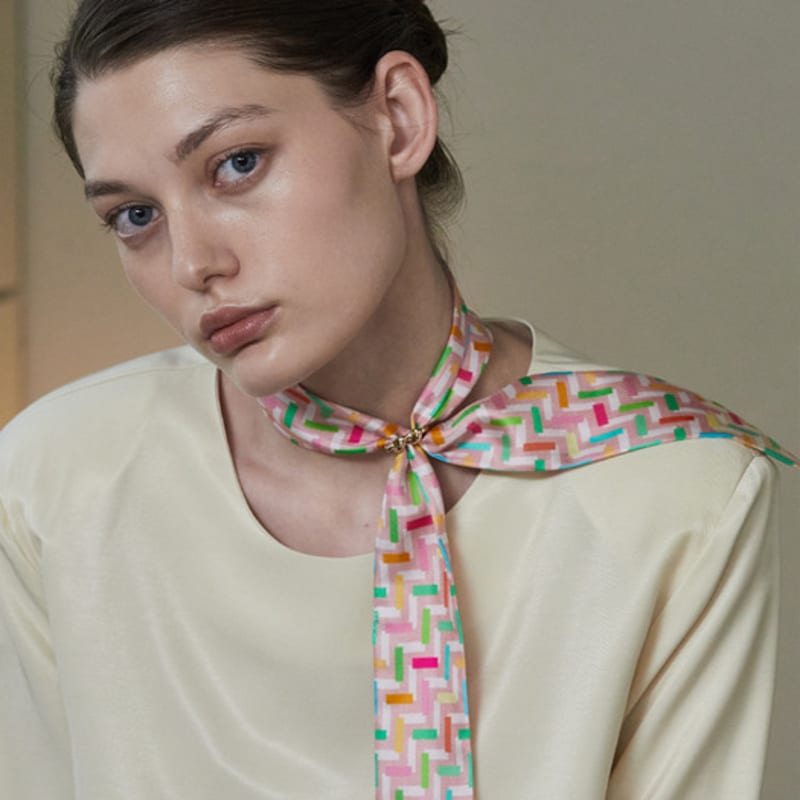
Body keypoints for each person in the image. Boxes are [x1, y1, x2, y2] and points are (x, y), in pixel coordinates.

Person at [0, 1, 796, 798]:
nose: (192, 263)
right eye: (135, 216)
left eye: (237, 164)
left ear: (399, 117)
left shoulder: (677, 492)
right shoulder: (54, 483)